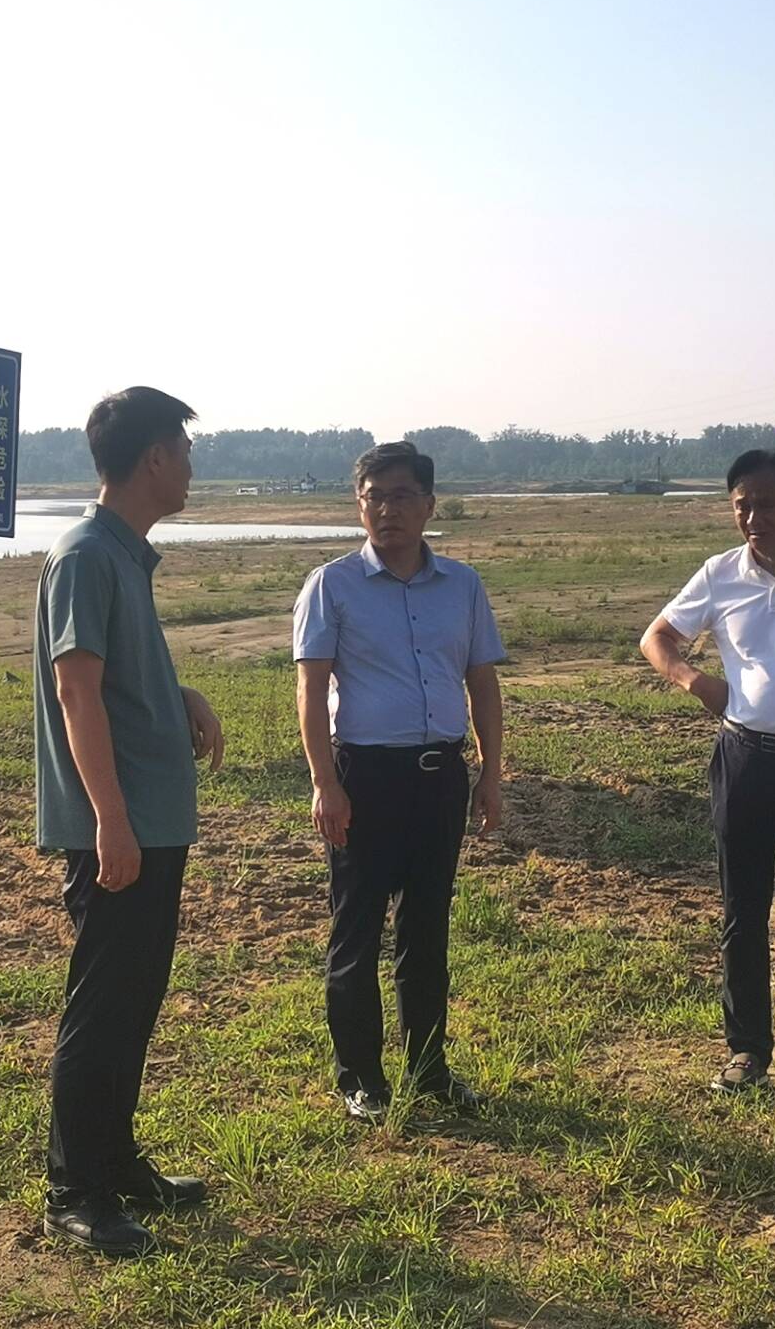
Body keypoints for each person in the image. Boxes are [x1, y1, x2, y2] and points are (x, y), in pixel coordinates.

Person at [34, 386, 226, 1257]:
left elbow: (110, 675)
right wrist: (110, 820)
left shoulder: (122, 555)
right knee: (103, 1009)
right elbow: (77, 693)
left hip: (149, 822)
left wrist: (177, 692)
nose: (190, 467)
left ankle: (115, 1164)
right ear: (153, 458)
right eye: (184, 451)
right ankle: (75, 1193)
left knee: (134, 1001)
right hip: (119, 829)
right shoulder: (85, 555)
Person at [293, 441, 507, 1122]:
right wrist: (325, 784)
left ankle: (429, 1069)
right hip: (364, 777)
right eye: (374, 498)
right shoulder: (331, 585)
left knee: (427, 927)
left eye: (402, 496)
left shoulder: (462, 587)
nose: (388, 510)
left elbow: (482, 682)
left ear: (429, 505)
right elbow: (311, 691)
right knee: (356, 929)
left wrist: (491, 773)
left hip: (439, 776)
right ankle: (360, 1077)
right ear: (359, 506)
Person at [638, 448, 775, 1098]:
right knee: (743, 910)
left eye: (766, 504)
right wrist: (696, 681)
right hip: (745, 759)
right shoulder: (720, 574)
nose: (754, 518)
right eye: (741, 506)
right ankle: (748, 1050)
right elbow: (656, 638)